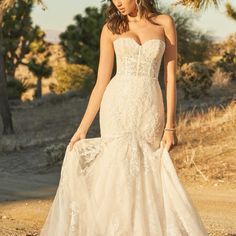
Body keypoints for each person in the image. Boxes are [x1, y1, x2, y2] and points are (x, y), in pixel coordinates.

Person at [39, 0, 209, 235]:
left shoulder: (164, 23)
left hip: (150, 106)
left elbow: (170, 79)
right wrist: (82, 128)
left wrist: (171, 127)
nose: (117, 2)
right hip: (117, 105)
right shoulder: (111, 28)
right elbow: (101, 83)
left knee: (147, 168)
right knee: (117, 166)